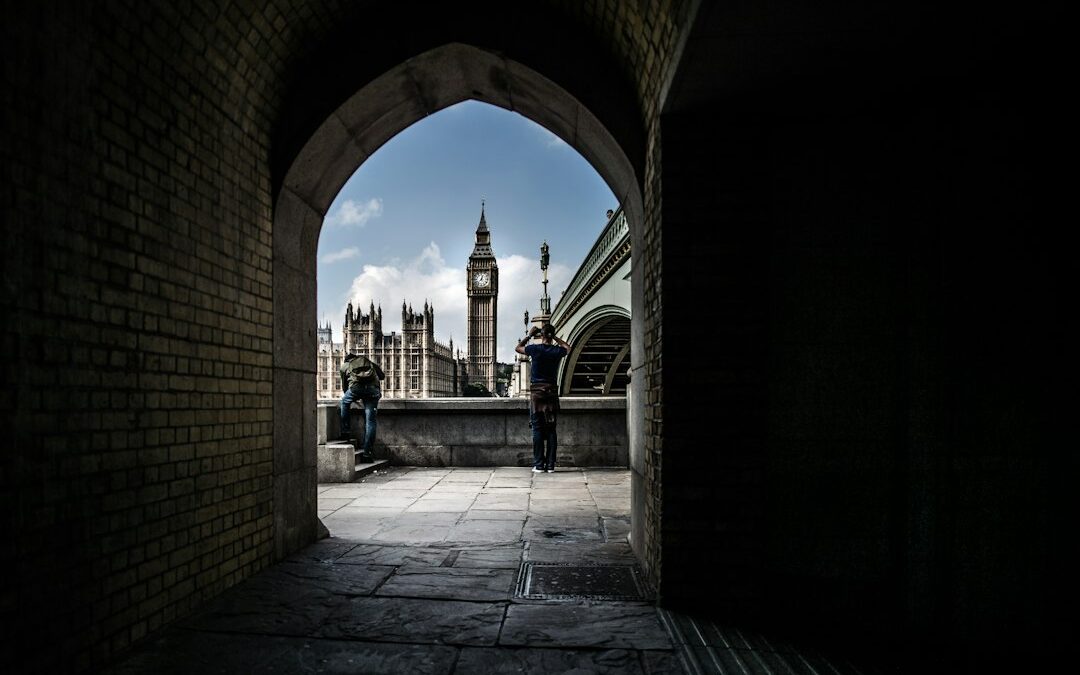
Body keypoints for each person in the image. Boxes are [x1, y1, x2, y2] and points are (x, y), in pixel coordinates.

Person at [516, 323, 571, 473]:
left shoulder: (535, 349)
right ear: (551, 336)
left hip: (537, 394)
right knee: (552, 430)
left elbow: (518, 348)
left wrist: (529, 334)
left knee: (537, 429)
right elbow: (568, 348)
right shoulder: (556, 351)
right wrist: (555, 338)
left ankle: (539, 465)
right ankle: (551, 465)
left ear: (541, 335)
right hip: (552, 393)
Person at [339, 352, 385, 463]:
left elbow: (345, 386)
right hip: (373, 391)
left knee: (344, 402)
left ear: (346, 360)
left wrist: (352, 396)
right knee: (370, 421)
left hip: (356, 389)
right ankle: (367, 453)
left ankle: (345, 431)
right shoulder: (369, 363)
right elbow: (382, 376)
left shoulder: (344, 366)